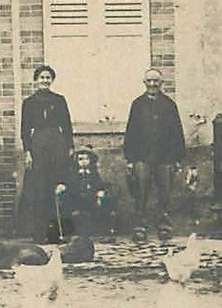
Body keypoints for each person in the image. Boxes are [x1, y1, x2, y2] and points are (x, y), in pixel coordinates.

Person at [123, 68, 187, 232]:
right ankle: (140, 225)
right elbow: (131, 131)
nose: (152, 84)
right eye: (149, 81)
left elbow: (177, 131)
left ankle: (164, 224)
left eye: (156, 81)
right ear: (144, 83)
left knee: (164, 192)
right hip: (142, 156)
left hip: (165, 157)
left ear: (161, 83)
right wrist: (130, 159)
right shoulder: (137, 104)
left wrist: (177, 158)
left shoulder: (169, 105)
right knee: (141, 191)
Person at [18, 64, 75, 243]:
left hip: (56, 144)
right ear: (36, 80)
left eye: (48, 77)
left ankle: (56, 233)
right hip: (39, 145)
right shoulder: (29, 103)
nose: (45, 80)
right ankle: (39, 233)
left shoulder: (59, 100)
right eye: (41, 77)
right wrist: (28, 151)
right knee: (39, 190)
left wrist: (69, 146)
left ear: (52, 80)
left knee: (55, 187)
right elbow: (25, 129)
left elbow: (66, 125)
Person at [54, 147, 114, 238]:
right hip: (76, 200)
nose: (84, 161)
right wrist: (62, 186)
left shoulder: (93, 174)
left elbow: (99, 185)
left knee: (102, 201)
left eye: (86, 159)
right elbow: (69, 185)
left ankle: (103, 230)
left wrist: (100, 191)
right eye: (80, 159)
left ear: (90, 160)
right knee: (69, 202)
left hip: (90, 200)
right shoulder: (73, 174)